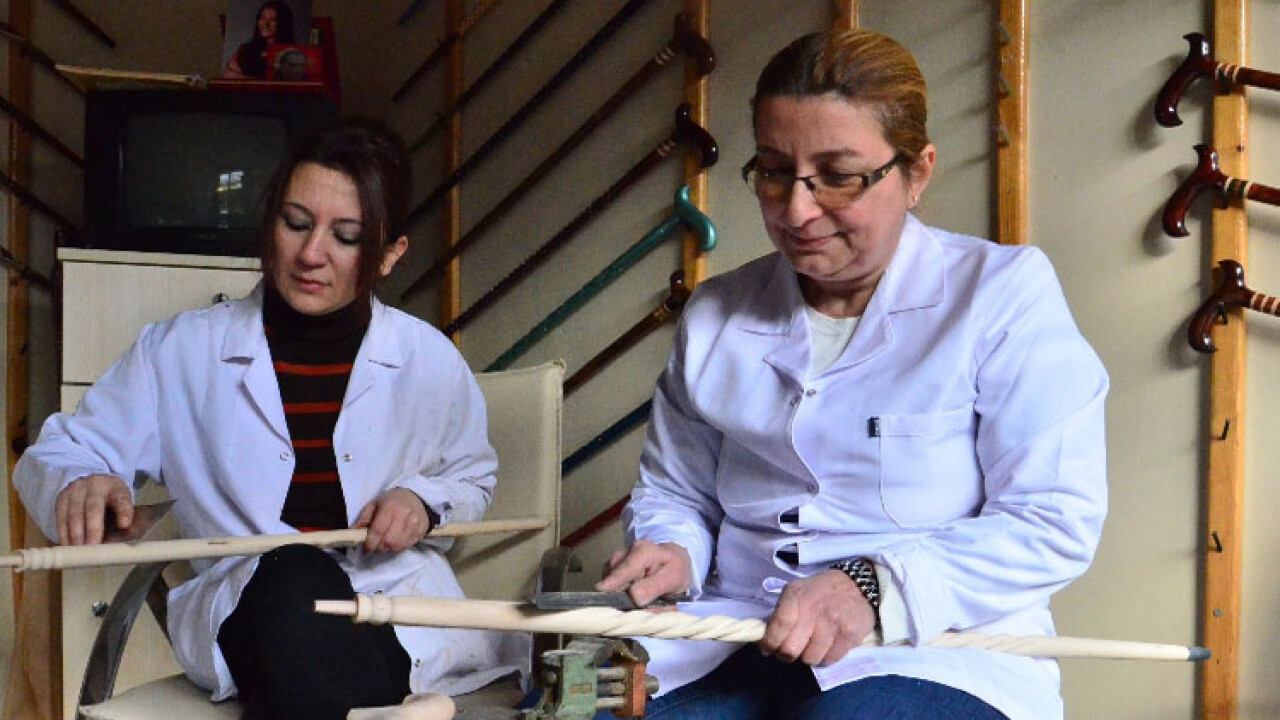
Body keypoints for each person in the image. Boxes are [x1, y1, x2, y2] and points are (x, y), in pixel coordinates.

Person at [594, 29, 1108, 720]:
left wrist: (872, 587)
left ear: (916, 174)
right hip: (736, 634)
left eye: (838, 176)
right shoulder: (717, 312)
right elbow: (676, 491)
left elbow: (1052, 518)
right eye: (775, 171)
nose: (797, 210)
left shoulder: (1001, 294)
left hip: (931, 648)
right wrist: (672, 549)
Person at [13, 117, 525, 720]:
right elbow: (62, 452)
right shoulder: (180, 351)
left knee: (304, 663)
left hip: (392, 605)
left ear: (390, 255)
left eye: (346, 236)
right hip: (250, 608)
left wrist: (421, 499)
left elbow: (472, 478)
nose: (311, 254)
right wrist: (81, 483)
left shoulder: (429, 360)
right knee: (293, 574)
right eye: (296, 223)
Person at [223, 0, 296, 79]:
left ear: (282, 23)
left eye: (272, 19)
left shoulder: (291, 53)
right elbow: (228, 76)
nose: (266, 24)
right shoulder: (245, 50)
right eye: (262, 18)